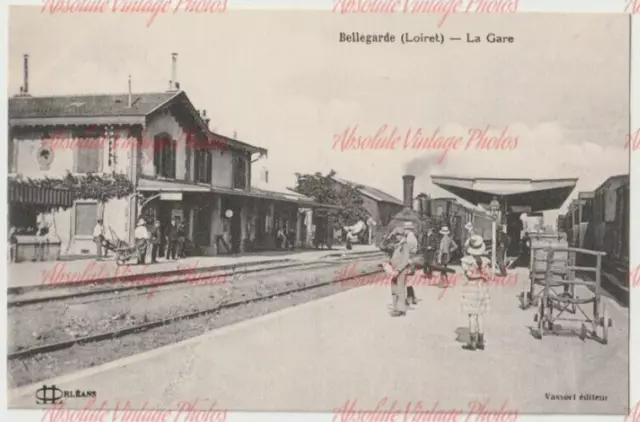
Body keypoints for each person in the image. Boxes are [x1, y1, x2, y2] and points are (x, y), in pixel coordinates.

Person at [460, 235, 491, 351]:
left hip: (471, 288)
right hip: (482, 288)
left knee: (472, 315)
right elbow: (487, 276)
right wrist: (482, 275)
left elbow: (469, 275)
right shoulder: (485, 261)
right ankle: (481, 341)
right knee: (480, 315)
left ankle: (472, 342)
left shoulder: (466, 261)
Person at [388, 222, 419, 316]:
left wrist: (398, 269)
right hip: (395, 269)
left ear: (402, 235)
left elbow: (405, 259)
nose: (396, 236)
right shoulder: (398, 244)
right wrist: (390, 235)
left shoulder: (405, 244)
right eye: (396, 234)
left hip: (401, 270)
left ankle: (401, 310)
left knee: (400, 289)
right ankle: (396, 307)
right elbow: (383, 245)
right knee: (394, 288)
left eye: (398, 234)